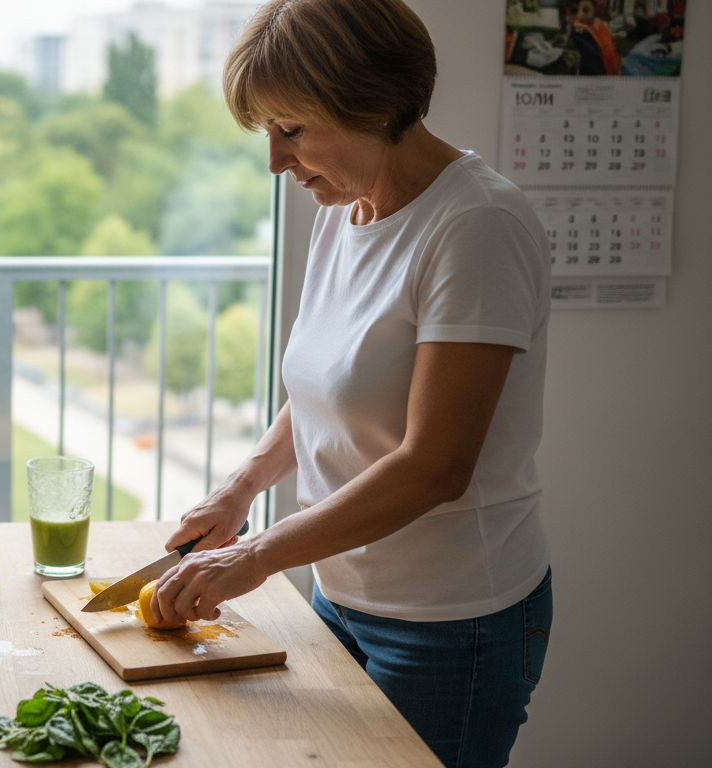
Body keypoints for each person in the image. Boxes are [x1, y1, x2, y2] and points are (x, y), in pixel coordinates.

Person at [148, 2, 553, 766]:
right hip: (341, 594)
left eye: (290, 130)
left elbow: (436, 465)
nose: (274, 160)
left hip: (453, 620)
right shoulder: (347, 208)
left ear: (373, 105)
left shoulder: (476, 227)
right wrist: (241, 487)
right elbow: (322, 388)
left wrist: (257, 555)